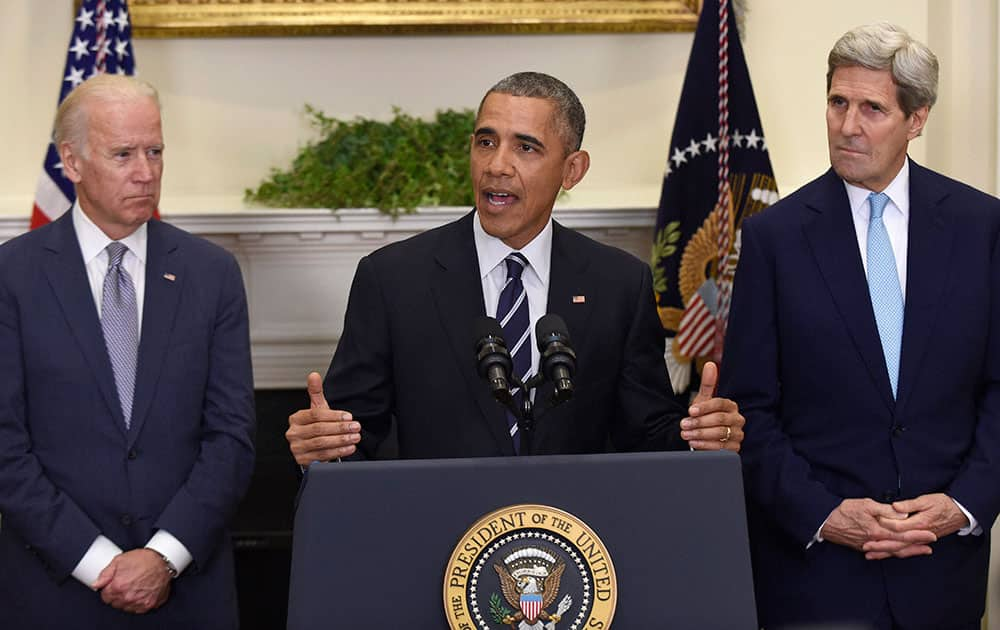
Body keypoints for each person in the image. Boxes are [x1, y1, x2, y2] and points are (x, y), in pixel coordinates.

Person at [286, 71, 744, 465]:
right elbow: (349, 437)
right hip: (437, 544)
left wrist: (698, 441)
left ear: (572, 170)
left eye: (526, 147)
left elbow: (644, 437)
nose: (497, 165)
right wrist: (322, 447)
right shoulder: (392, 279)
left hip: (573, 545)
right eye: (486, 142)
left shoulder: (619, 283)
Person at [720, 23, 1000, 630]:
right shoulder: (775, 239)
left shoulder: (983, 227)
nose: (848, 125)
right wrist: (823, 515)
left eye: (872, 108)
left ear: (917, 118)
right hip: (815, 576)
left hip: (943, 570)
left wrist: (963, 504)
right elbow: (750, 410)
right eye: (837, 103)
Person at [0, 74, 255, 628]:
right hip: (54, 592)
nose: (146, 172)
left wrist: (164, 556)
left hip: (189, 592)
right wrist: (99, 564)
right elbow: (5, 450)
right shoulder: (11, 277)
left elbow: (232, 438)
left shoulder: (211, 275)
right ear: (72, 162)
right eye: (123, 154)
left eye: (155, 151)